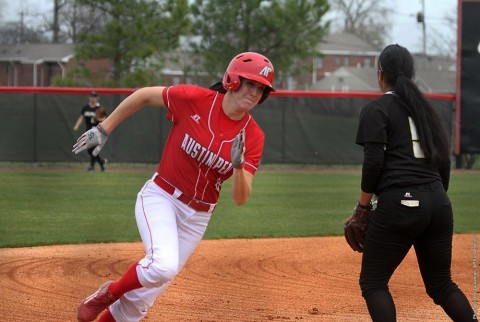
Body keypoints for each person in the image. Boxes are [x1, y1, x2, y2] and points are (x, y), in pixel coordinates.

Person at [72, 51, 275, 322]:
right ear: (232, 79)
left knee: (142, 299)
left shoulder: (254, 136)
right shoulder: (194, 100)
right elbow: (143, 95)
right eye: (250, 83)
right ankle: (108, 293)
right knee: (163, 267)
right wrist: (104, 128)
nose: (254, 92)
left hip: (198, 217)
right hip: (162, 197)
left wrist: (238, 166)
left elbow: (240, 197)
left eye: (261, 88)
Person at [343, 44, 477, 322]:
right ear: (412, 74)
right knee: (441, 285)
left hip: (400, 204)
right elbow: (445, 163)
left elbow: (374, 163)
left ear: (381, 75)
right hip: (439, 203)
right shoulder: (430, 111)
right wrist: (431, 199)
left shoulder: (377, 109)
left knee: (373, 283)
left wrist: (362, 208)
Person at [73, 91, 107, 172]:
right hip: (88, 131)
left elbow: (105, 119)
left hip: (97, 131)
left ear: (97, 98)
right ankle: (101, 162)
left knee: (92, 148)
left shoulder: (100, 108)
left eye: (94, 96)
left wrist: (98, 119)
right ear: (89, 97)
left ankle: (91, 166)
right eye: (91, 96)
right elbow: (81, 117)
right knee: (90, 150)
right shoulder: (86, 108)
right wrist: (77, 125)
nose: (93, 98)